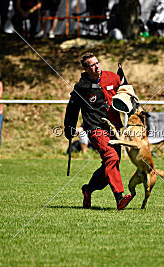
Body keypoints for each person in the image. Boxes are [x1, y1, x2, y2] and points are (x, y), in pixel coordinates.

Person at [64, 52, 133, 210]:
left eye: (98, 63)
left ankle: (88, 190)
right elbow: (72, 109)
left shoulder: (112, 77)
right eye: (93, 65)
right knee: (111, 156)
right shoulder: (81, 87)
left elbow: (127, 92)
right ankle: (119, 198)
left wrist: (124, 84)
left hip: (115, 129)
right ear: (85, 68)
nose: (97, 67)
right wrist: (69, 128)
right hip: (95, 128)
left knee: (110, 165)